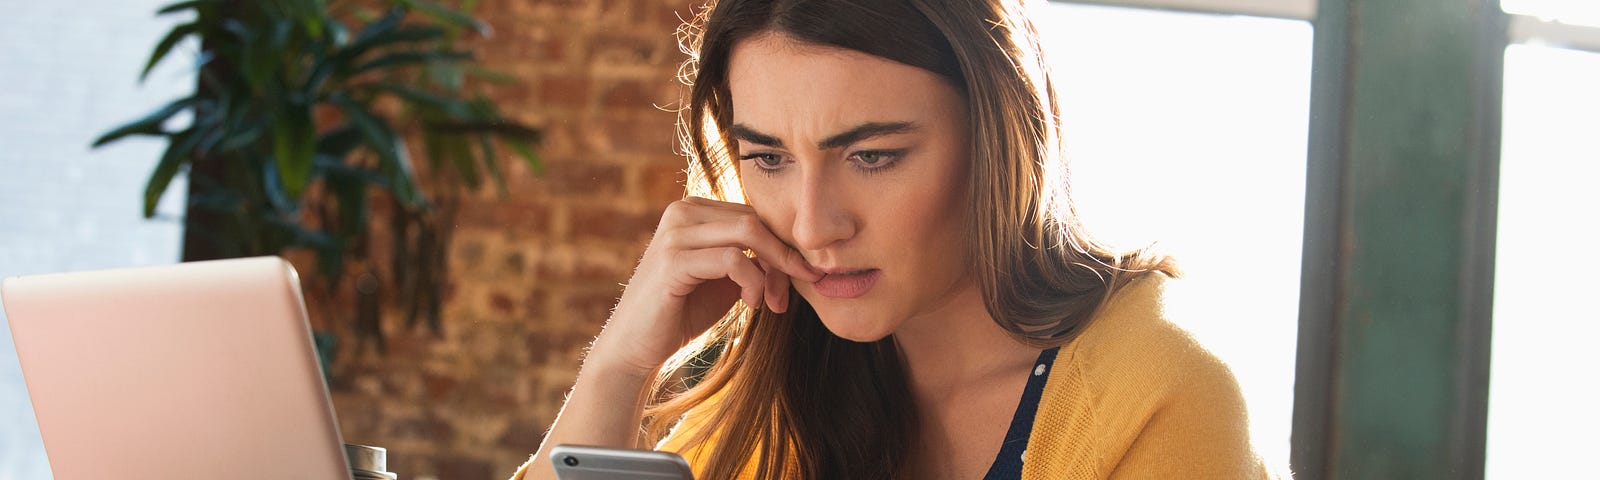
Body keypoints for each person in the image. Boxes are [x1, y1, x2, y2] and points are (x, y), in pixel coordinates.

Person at [513, 0, 1273, 478]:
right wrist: (618, 365)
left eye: (872, 157)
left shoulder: (1160, 396)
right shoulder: (774, 396)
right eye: (768, 158)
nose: (812, 226)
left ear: (998, 143)